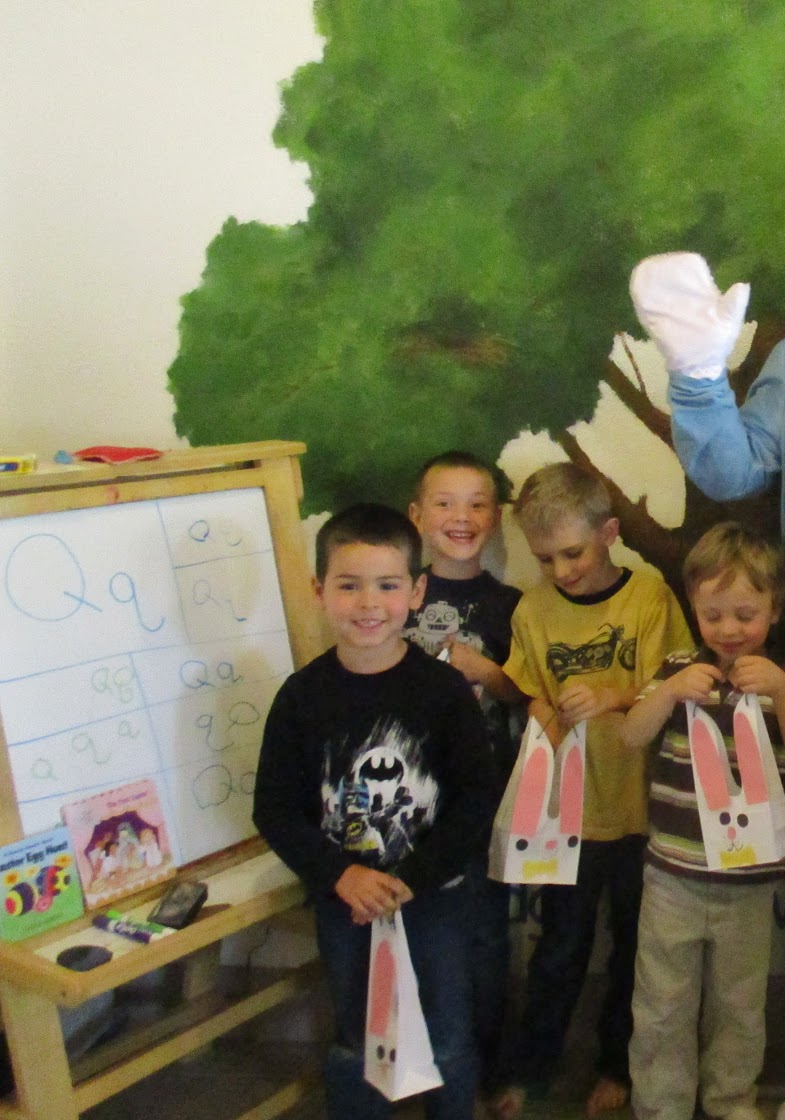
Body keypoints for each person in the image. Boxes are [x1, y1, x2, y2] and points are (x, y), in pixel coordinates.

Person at [253, 503, 496, 1120]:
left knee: (447, 1035)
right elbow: (274, 809)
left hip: (436, 900)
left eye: (387, 585)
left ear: (416, 592)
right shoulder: (301, 697)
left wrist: (411, 880)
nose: (368, 603)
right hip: (348, 905)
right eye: (349, 585)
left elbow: (476, 800)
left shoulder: (443, 693)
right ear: (319, 590)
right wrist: (341, 875)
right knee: (357, 1037)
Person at [496, 462, 693, 1119]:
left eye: (573, 554)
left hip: (644, 811)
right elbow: (531, 694)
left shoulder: (650, 599)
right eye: (544, 559)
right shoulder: (533, 610)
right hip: (570, 820)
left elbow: (677, 687)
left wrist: (613, 696)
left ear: (609, 534)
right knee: (559, 949)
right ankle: (532, 1069)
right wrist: (547, 716)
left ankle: (619, 1066)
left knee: (637, 949)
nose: (561, 571)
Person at [621, 521, 785, 1120]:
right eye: (713, 615)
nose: (729, 629)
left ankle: (730, 1099)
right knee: (661, 1003)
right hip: (672, 875)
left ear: (775, 609)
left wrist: (783, 694)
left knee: (739, 1005)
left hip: (750, 883)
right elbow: (632, 734)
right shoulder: (677, 667)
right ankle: (660, 1105)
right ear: (693, 607)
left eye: (745, 614)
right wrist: (668, 692)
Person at [404, 451, 526, 1099]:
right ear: (417, 516)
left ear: (497, 516)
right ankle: (417, 1068)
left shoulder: (512, 605)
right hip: (406, 805)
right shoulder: (398, 593)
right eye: (445, 503)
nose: (462, 517)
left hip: (483, 800)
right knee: (413, 935)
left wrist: (489, 673)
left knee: (484, 937)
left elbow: (529, 697)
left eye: (477, 503)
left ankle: (486, 1070)